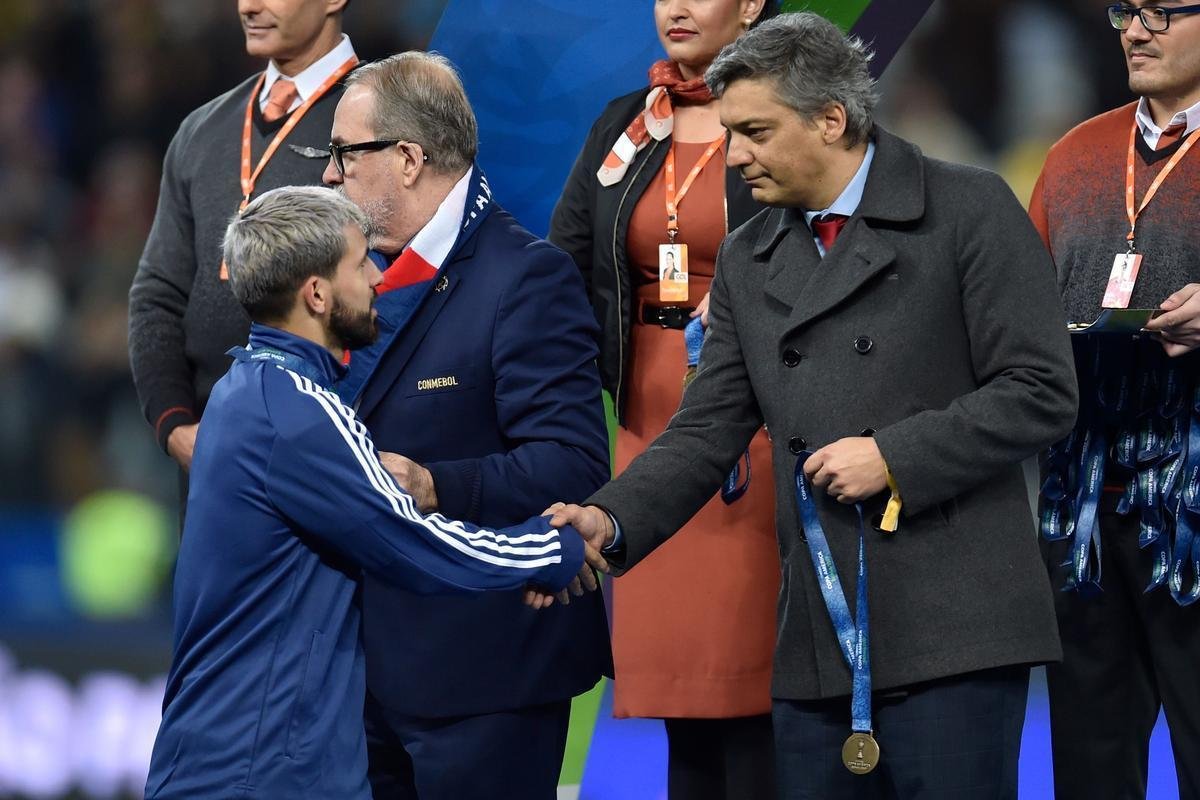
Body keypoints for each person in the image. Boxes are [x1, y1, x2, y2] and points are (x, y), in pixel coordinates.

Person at [545, 12, 1079, 799]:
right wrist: (611, 519)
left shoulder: (968, 208)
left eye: (755, 132)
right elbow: (707, 428)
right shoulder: (747, 255)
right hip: (814, 639)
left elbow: (1042, 390)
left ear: (832, 120)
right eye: (729, 133)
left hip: (956, 629)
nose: (735, 157)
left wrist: (895, 457)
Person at [143, 185, 597, 800]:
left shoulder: (243, 391)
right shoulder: (297, 413)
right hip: (261, 764)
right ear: (317, 294)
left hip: (230, 753)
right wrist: (552, 550)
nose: (379, 279)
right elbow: (415, 543)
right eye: (361, 264)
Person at [320, 53, 612, 800]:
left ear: (408, 159)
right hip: (353, 676)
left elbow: (572, 463)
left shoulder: (526, 277)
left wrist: (436, 483)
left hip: (485, 676)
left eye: (345, 153)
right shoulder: (349, 279)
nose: (329, 175)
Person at [548, 2, 780, 796]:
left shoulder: (785, 114)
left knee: (753, 684)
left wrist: (753, 300)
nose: (674, 8)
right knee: (683, 688)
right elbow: (565, 264)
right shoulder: (625, 123)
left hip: (755, 421)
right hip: (644, 420)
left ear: (751, 6)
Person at [1029, 2, 1200, 798]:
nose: (1136, 29)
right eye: (1125, 10)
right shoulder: (1072, 156)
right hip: (1083, 507)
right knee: (1090, 761)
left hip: (1194, 506)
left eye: (1163, 10)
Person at [129, 0, 357, 488]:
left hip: (331, 460)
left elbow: (403, 288)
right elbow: (158, 293)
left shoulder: (379, 121)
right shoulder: (200, 129)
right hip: (210, 461)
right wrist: (175, 427)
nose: (249, 6)